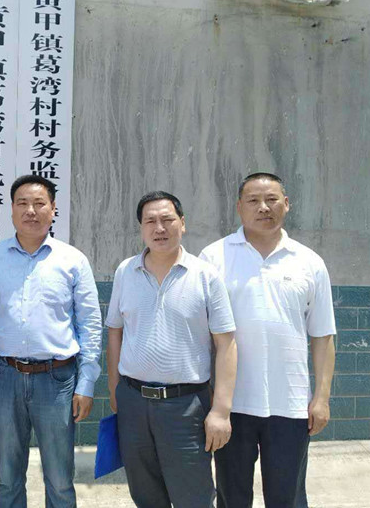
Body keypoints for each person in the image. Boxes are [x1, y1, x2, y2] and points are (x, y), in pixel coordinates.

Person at [200, 172, 336, 508]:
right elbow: (200, 336)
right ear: (239, 207)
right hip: (231, 405)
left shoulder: (309, 262)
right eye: (253, 200)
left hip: (290, 404)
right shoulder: (213, 258)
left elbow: (322, 335)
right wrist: (211, 400)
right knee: (232, 497)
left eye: (272, 199)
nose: (264, 207)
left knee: (287, 498)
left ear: (286, 204)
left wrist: (321, 398)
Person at [0, 174, 102, 508]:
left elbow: (90, 324)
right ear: (11, 210)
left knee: (59, 478)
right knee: (8, 475)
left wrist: (86, 383)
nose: (31, 211)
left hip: (57, 380)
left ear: (53, 209)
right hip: (5, 376)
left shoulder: (72, 260)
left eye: (39, 203)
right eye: (22, 203)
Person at [106, 191, 237, 508]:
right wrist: (115, 390)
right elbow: (115, 332)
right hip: (134, 402)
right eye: (150, 221)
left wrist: (221, 410)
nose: (159, 228)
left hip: (185, 405)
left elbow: (226, 343)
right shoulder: (126, 271)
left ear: (183, 223)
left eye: (167, 219)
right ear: (141, 228)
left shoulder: (205, 275)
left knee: (194, 497)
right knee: (146, 495)